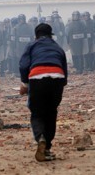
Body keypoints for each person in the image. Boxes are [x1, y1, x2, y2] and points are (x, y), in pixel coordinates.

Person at [19, 23, 67, 162]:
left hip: (37, 76)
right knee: (51, 112)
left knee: (37, 111)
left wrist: (25, 84)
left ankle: (40, 137)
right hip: (57, 77)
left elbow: (23, 65)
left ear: (36, 36)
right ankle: (47, 148)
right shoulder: (57, 47)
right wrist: (60, 85)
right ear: (51, 35)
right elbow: (64, 69)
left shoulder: (32, 45)